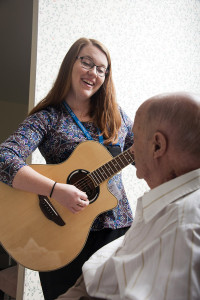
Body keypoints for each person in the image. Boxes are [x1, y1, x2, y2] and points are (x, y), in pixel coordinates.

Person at [0, 37, 134, 299]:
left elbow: (148, 157)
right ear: (70, 64)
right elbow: (5, 157)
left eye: (101, 69)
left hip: (116, 231)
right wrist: (55, 190)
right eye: (87, 62)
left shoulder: (116, 116)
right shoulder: (48, 117)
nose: (93, 73)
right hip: (60, 234)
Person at [57, 92, 200, 300]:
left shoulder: (185, 227)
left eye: (136, 138)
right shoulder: (170, 203)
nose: (131, 150)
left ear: (157, 145)